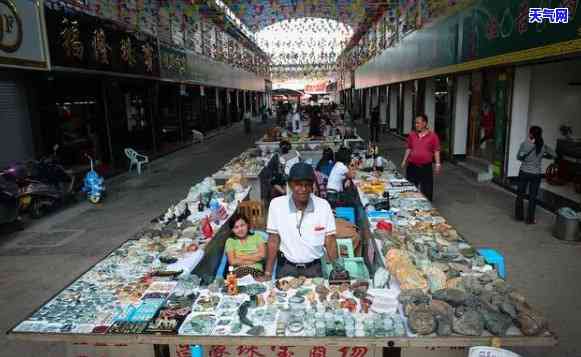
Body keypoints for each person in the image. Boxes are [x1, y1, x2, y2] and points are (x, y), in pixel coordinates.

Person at [265, 163, 338, 279]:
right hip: (286, 267)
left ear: (312, 186)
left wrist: (338, 270)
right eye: (298, 185)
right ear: (290, 185)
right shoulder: (276, 205)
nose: (303, 189)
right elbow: (273, 240)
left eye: (307, 185)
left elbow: (330, 241)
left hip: (314, 269)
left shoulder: (323, 206)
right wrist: (268, 273)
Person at [515, 126, 555, 224]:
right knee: (533, 197)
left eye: (530, 132)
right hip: (536, 174)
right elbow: (554, 155)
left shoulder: (525, 144)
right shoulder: (543, 145)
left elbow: (518, 157)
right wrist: (543, 156)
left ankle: (519, 217)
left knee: (520, 195)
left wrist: (526, 159)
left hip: (524, 172)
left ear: (531, 134)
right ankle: (530, 219)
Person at [401, 114, 441, 201]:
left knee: (427, 191)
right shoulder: (412, 135)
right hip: (412, 166)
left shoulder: (433, 136)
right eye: (415, 123)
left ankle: (427, 210)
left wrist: (438, 164)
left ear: (425, 123)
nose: (416, 125)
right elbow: (409, 148)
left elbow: (436, 150)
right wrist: (404, 161)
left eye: (418, 123)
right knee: (410, 189)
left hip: (426, 167)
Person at [224, 213, 266, 278]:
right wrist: (253, 258)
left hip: (256, 271)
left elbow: (262, 256)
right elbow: (232, 261)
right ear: (232, 230)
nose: (240, 229)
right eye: (236, 227)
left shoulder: (257, 236)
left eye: (242, 225)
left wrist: (241, 257)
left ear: (247, 225)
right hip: (237, 272)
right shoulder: (230, 241)